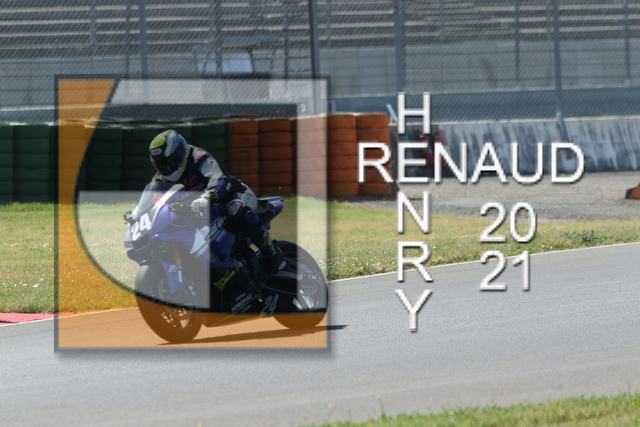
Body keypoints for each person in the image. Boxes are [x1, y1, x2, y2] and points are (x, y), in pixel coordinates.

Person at [148, 129, 286, 274]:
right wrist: (140, 214)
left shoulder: (198, 157)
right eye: (160, 164)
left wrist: (208, 197)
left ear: (180, 154)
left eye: (170, 161)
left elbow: (219, 179)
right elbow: (151, 200)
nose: (167, 167)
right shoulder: (161, 179)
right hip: (201, 209)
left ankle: (273, 254)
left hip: (233, 194)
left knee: (235, 210)